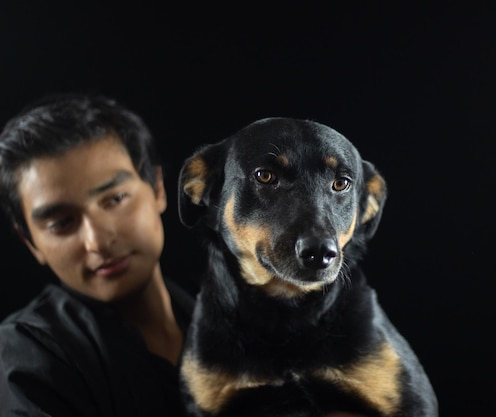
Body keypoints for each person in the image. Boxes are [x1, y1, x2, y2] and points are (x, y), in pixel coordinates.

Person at [0, 93, 364, 417]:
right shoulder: (28, 353)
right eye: (62, 222)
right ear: (30, 241)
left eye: (115, 199)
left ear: (158, 188)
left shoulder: (231, 316)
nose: (96, 241)